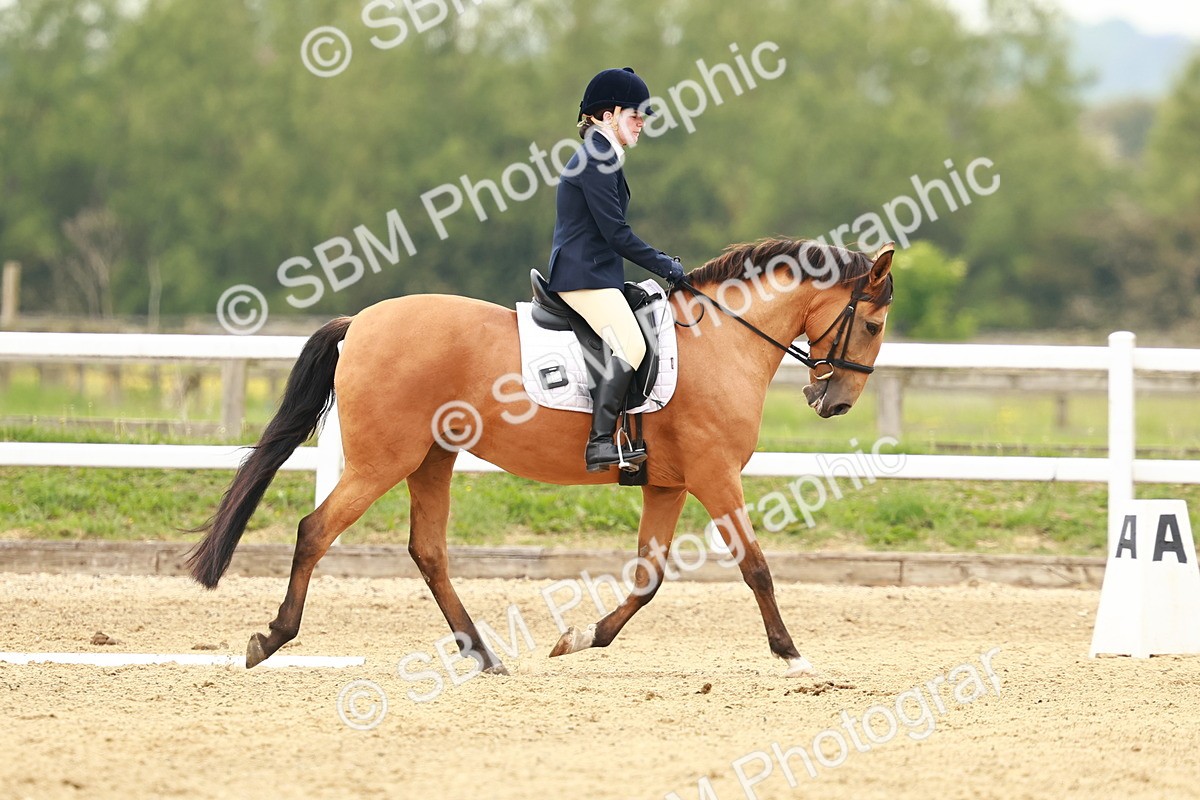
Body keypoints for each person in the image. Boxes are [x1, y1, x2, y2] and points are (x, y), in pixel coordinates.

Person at [546, 67, 685, 472]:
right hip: (582, 276)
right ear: (608, 116)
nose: (641, 124)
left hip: (595, 273)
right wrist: (665, 266)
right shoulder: (595, 159)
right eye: (634, 116)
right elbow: (616, 234)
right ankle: (600, 442)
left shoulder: (603, 156)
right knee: (632, 344)